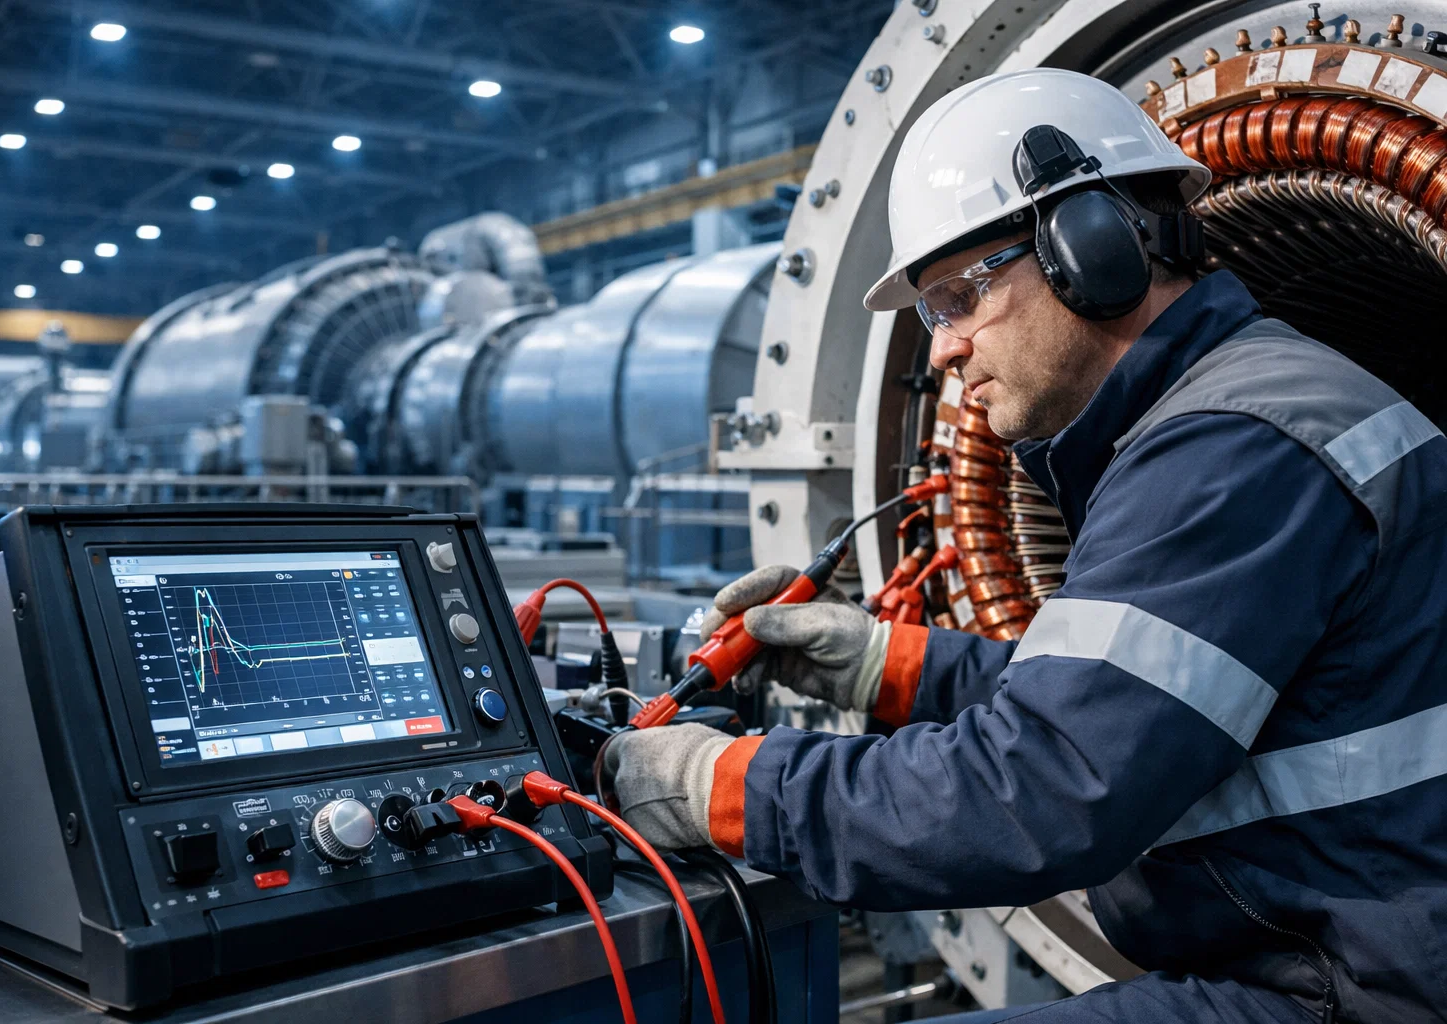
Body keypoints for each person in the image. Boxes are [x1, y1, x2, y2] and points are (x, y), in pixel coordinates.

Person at [604, 68, 1447, 1023]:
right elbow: (1123, 700)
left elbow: (1041, 790)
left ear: (1090, 251)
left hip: (1368, 989)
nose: (943, 352)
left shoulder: (1232, 444)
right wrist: (883, 662)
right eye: (931, 315)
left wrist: (716, 784)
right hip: (1335, 951)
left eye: (958, 298)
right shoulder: (1228, 411)